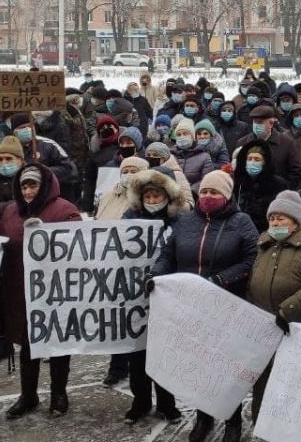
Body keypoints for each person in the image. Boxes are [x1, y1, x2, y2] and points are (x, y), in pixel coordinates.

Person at [150, 169, 256, 441]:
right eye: (205, 191)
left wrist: (221, 279)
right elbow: (168, 254)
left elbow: (251, 258)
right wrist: (155, 275)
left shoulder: (241, 222)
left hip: (226, 304)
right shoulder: (186, 221)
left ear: (227, 196)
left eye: (215, 192)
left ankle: (232, 421)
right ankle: (203, 417)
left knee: (224, 367)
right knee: (199, 364)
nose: (208, 196)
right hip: (190, 307)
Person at [0, 164, 81, 419]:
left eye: (33, 185)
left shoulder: (65, 210)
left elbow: (79, 248)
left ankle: (59, 394)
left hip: (56, 291)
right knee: (28, 344)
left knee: (56, 343)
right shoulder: (11, 211)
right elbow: (0, 241)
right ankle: (28, 395)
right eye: (23, 185)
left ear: (44, 185)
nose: (28, 190)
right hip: (20, 290)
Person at [246, 189, 301, 416]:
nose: (275, 223)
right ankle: (262, 422)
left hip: (299, 330)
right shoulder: (264, 245)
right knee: (264, 382)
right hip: (266, 331)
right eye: (272, 218)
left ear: (295, 222)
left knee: (293, 385)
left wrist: (288, 311)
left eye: (281, 218)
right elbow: (254, 282)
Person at [118, 169, 189, 425]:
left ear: (167, 196)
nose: (151, 199)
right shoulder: (129, 218)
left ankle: (167, 404)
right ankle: (140, 402)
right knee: (138, 354)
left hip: (169, 297)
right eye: (146, 194)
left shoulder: (182, 221)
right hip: (136, 299)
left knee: (165, 352)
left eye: (156, 194)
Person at [237, 105, 301, 189]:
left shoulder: (287, 143)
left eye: (260, 122)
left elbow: (296, 173)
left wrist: (284, 191)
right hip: (250, 196)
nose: (256, 125)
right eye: (255, 122)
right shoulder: (243, 143)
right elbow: (238, 172)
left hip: (278, 196)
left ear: (271, 123)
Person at [232, 142, 289, 232]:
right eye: (249, 159)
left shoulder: (278, 184)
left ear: (265, 162)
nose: (252, 162)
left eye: (257, 159)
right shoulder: (239, 183)